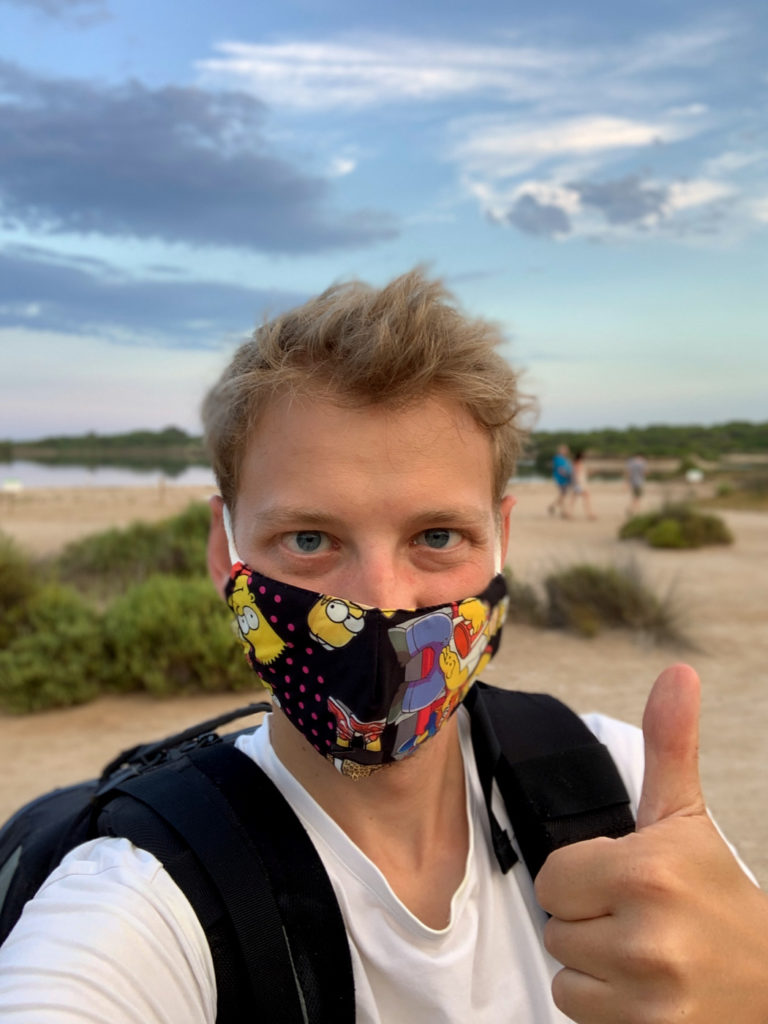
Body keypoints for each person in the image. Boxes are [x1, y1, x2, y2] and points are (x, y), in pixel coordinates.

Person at [1, 269, 767, 1023]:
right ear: (221, 551)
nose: (380, 601)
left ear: (501, 540)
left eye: (437, 536)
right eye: (309, 539)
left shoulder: (617, 785)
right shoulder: (141, 894)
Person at [568, 449, 596, 519]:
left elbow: (580, 473)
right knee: (585, 498)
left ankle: (569, 513)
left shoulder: (575, 463)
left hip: (579, 483)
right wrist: (577, 483)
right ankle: (590, 514)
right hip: (580, 484)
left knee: (574, 499)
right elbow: (576, 474)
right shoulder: (577, 464)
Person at [548, 444, 572, 518]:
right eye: (564, 450)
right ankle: (563, 512)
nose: (566, 451)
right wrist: (569, 476)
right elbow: (561, 470)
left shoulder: (564, 459)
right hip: (561, 480)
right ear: (560, 450)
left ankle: (553, 506)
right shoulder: (558, 459)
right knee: (563, 495)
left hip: (565, 480)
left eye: (566, 450)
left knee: (563, 495)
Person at [625, 452, 648, 516]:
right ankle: (633, 509)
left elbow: (628, 472)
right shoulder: (642, 463)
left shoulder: (631, 462)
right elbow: (644, 472)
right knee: (637, 496)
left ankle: (634, 509)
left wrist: (627, 482)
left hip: (633, 482)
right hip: (639, 482)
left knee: (636, 496)